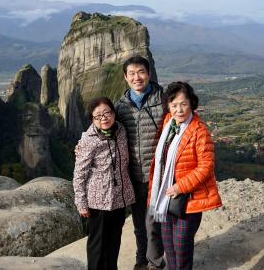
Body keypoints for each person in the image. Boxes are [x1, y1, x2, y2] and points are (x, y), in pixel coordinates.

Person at [147, 81, 222, 270]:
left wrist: (180, 186)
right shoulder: (168, 123)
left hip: (187, 199)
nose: (179, 110)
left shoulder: (199, 130)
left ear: (191, 103)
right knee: (169, 247)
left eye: (183, 104)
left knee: (182, 248)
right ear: (168, 106)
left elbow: (206, 167)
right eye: (174, 105)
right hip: (164, 196)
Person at [114, 56, 166, 270]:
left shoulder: (163, 99)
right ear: (126, 77)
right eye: (132, 73)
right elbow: (106, 132)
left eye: (141, 72)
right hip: (134, 176)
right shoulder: (120, 107)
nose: (137, 77)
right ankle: (141, 260)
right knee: (138, 225)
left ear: (149, 73)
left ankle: (155, 261)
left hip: (159, 175)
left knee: (156, 223)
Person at [73, 97, 136, 270]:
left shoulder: (121, 130)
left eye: (107, 113)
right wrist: (81, 203)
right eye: (98, 116)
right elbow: (79, 174)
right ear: (92, 120)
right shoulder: (89, 140)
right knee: (97, 245)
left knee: (114, 242)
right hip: (98, 202)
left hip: (118, 199)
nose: (104, 118)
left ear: (114, 113)